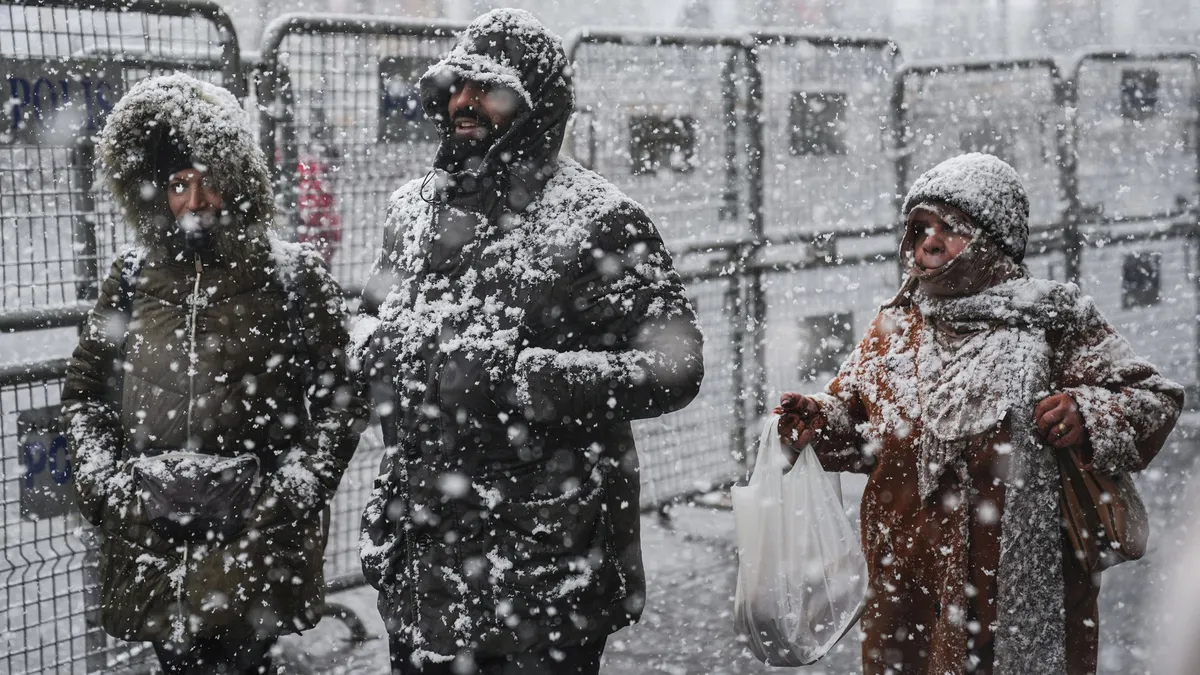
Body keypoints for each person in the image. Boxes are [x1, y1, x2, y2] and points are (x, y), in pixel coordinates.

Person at [352, 9, 705, 675]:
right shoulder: (411, 210)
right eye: (456, 85)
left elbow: (677, 365)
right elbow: (370, 312)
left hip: (542, 566)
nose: (463, 101)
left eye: (486, 87)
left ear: (536, 102)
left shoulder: (601, 221)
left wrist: (531, 378)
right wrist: (376, 348)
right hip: (422, 556)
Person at [774, 153, 1183, 675]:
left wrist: (1087, 411)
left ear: (996, 239)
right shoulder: (896, 327)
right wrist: (818, 419)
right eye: (921, 227)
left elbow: (1153, 397)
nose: (931, 241)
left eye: (954, 228)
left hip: (1017, 580)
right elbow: (860, 425)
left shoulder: (1050, 319)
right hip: (910, 581)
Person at [62, 74, 369, 674]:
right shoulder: (131, 276)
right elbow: (84, 394)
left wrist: (292, 493)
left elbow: (343, 399)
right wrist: (107, 490)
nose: (196, 201)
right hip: (152, 540)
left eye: (209, 181)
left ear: (238, 180)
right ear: (156, 191)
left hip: (255, 545)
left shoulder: (293, 275)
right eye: (179, 184)